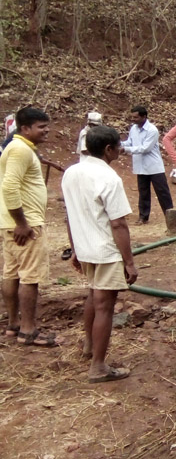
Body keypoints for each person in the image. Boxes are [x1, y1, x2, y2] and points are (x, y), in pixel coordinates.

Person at [62, 125, 138, 381]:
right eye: (118, 146)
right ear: (108, 149)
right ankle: (98, 366)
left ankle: (89, 345)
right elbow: (118, 223)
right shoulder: (109, 178)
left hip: (85, 247)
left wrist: (75, 248)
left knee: (93, 297)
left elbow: (69, 215)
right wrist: (129, 262)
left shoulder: (72, 172)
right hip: (105, 250)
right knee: (105, 306)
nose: (121, 149)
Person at [0, 108, 55, 346]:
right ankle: (28, 330)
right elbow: (10, 187)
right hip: (26, 225)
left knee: (11, 273)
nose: (46, 130)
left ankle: (13, 325)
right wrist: (22, 223)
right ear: (25, 129)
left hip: (11, 223)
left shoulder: (18, 148)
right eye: (41, 127)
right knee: (29, 277)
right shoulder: (20, 150)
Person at [121, 106, 174, 225]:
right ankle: (143, 217)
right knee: (143, 192)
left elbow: (145, 148)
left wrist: (126, 149)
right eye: (132, 117)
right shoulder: (134, 128)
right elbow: (130, 142)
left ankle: (170, 216)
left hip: (154, 166)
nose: (133, 119)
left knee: (162, 192)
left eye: (136, 117)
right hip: (140, 166)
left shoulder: (152, 130)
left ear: (144, 117)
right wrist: (118, 144)